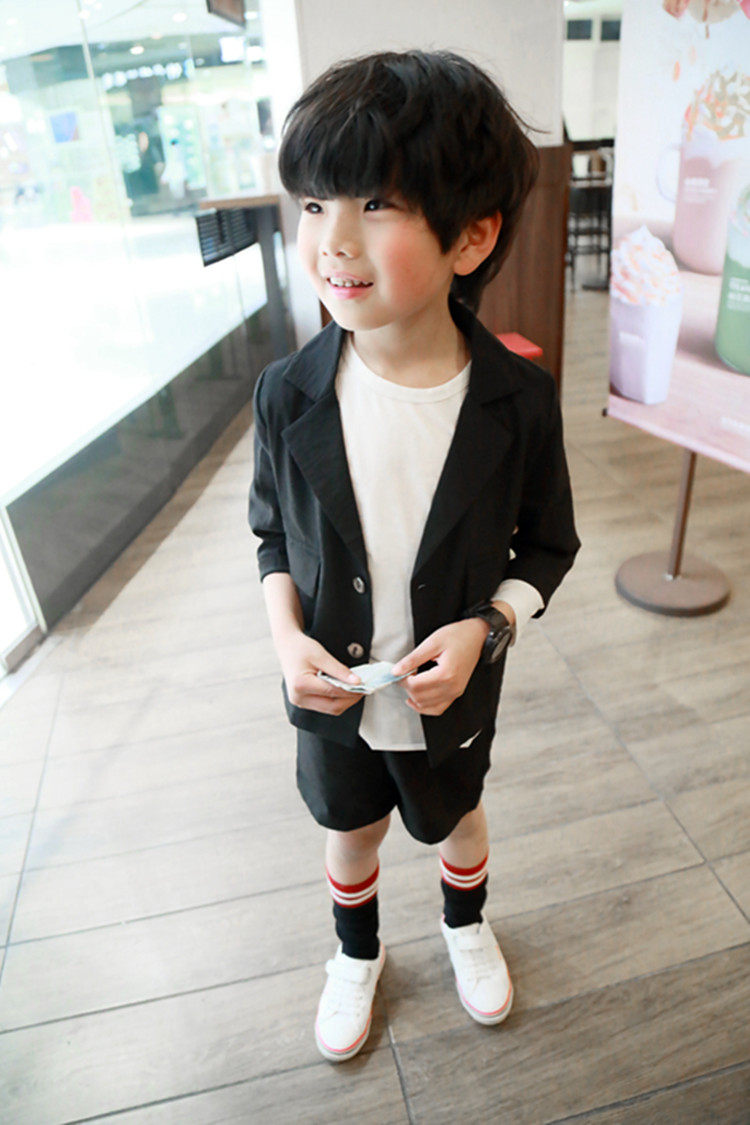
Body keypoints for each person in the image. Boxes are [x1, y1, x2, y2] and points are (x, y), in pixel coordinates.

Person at [248, 49, 580, 1063]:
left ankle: (465, 924)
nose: (332, 241)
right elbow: (272, 534)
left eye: (377, 204)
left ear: (473, 235)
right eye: (314, 204)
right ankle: (356, 951)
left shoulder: (516, 402)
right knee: (349, 831)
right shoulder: (287, 394)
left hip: (453, 697)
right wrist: (285, 640)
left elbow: (549, 546)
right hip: (333, 696)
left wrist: (489, 627)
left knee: (458, 820)